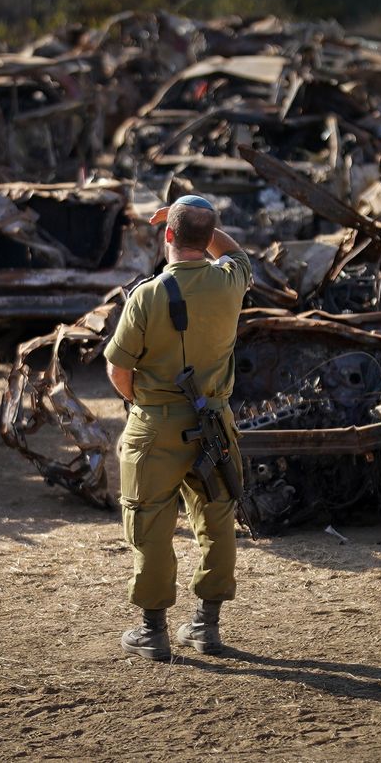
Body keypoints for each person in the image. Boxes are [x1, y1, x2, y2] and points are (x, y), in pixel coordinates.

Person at [103, 194, 251, 660]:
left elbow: (117, 371)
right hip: (215, 424)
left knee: (150, 524)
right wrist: (197, 222)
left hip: (157, 425)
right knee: (217, 519)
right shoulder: (231, 283)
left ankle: (153, 631)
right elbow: (236, 254)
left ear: (167, 235)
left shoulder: (146, 296)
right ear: (208, 241)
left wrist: (143, 406)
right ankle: (207, 626)